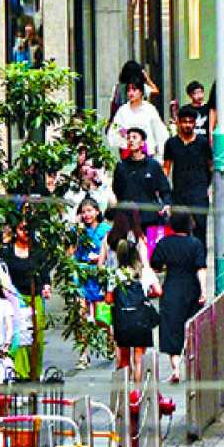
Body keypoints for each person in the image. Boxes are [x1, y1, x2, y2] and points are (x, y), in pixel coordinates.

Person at [149, 211, 208, 382]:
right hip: (191, 288)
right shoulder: (196, 244)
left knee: (171, 328)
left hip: (172, 288)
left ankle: (176, 368)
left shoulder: (164, 243)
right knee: (191, 327)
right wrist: (203, 290)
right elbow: (201, 268)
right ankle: (191, 363)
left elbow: (155, 264)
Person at [108, 238, 160, 389]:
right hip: (141, 319)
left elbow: (109, 298)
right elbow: (158, 291)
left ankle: (124, 394)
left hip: (122, 320)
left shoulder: (115, 274)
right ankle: (137, 393)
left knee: (124, 359)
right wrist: (146, 295)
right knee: (139, 358)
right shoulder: (145, 272)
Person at [113, 126, 172, 253]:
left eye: (134, 138)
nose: (131, 141)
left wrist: (166, 204)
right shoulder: (121, 166)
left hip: (149, 217)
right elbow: (117, 190)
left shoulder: (153, 165)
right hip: (127, 217)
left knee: (149, 252)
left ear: (142, 142)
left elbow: (164, 189)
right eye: (128, 138)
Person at [3, 221, 49, 381]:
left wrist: (46, 286)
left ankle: (35, 372)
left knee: (37, 337)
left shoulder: (38, 250)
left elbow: (45, 272)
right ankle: (22, 374)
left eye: (29, 229)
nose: (25, 232)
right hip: (15, 297)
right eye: (22, 229)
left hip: (35, 297)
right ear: (16, 230)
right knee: (20, 337)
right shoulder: (7, 251)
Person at [71, 197, 110, 367]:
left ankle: (109, 342)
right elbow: (70, 252)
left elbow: (109, 251)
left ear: (97, 212)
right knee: (81, 316)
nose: (86, 215)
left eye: (89, 211)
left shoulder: (105, 229)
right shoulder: (77, 231)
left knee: (102, 317)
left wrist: (100, 259)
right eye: (83, 211)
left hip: (98, 275)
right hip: (81, 275)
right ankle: (83, 354)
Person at [163, 106, 213, 236]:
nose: (188, 125)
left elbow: (211, 166)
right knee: (179, 231)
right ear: (179, 122)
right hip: (179, 195)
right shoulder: (171, 144)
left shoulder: (203, 143)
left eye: (191, 122)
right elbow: (166, 169)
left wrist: (208, 187)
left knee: (200, 230)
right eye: (185, 122)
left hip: (199, 195)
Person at [107, 81, 167, 161]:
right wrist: (124, 138)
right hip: (128, 155)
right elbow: (114, 130)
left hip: (147, 155)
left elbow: (160, 132)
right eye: (129, 90)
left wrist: (160, 155)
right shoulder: (122, 111)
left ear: (141, 92)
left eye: (134, 90)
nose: (131, 93)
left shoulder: (149, 109)